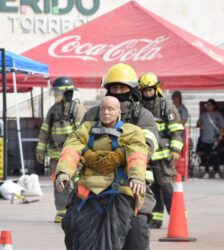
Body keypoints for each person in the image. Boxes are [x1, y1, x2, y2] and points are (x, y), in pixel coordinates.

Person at [80, 63, 158, 250]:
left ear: (131, 90)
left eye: (122, 88)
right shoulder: (93, 114)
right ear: (107, 89)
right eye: (114, 87)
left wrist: (110, 157)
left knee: (136, 235)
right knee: (77, 229)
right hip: (95, 184)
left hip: (132, 185)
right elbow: (78, 142)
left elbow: (147, 147)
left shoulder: (143, 116)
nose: (118, 91)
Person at [56, 96, 148, 250]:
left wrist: (137, 177)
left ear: (119, 112)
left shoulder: (132, 132)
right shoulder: (85, 129)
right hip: (89, 192)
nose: (106, 113)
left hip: (119, 191)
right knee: (81, 238)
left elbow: (137, 154)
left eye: (110, 109)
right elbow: (71, 150)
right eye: (103, 109)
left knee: (111, 240)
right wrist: (64, 172)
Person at [138, 72, 184, 229]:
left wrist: (176, 150)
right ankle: (156, 219)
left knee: (166, 187)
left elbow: (176, 130)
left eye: (150, 89)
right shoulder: (139, 107)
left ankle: (177, 217)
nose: (148, 93)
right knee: (153, 188)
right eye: (145, 90)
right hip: (147, 157)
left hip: (164, 157)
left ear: (156, 89)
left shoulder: (166, 107)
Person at [36, 77, 84, 223]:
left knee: (77, 183)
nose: (55, 95)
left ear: (67, 93)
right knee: (59, 184)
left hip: (73, 155)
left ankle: (78, 210)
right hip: (56, 155)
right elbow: (45, 130)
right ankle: (61, 212)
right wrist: (40, 149)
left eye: (58, 92)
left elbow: (82, 132)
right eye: (55, 91)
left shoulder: (77, 109)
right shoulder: (52, 111)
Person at [197, 99, 224, 179]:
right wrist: (200, 126)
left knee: (216, 155)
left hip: (215, 139)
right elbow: (198, 123)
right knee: (206, 156)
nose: (208, 106)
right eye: (207, 105)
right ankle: (206, 171)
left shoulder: (218, 114)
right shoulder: (203, 115)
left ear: (214, 106)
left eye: (209, 104)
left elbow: (222, 126)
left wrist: (220, 135)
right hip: (205, 139)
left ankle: (217, 171)